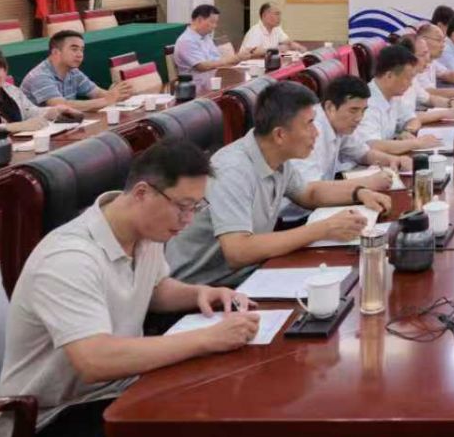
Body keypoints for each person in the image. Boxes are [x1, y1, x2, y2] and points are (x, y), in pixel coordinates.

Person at [0, 139, 258, 437]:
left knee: (232, 435)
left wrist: (201, 293)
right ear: (142, 193)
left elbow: (154, 290)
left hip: (119, 394)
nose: (188, 220)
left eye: (196, 208)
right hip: (47, 420)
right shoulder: (70, 258)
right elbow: (94, 360)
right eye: (183, 207)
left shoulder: (143, 234)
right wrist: (206, 339)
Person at [165, 82, 391, 285]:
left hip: (249, 273)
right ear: (280, 135)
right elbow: (238, 251)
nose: (316, 132)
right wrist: (324, 228)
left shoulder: (275, 156)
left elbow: (308, 193)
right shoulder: (233, 169)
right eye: (309, 124)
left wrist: (359, 192)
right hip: (203, 288)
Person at [307, 75, 409, 182]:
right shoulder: (312, 132)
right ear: (330, 107)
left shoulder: (340, 124)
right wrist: (365, 184)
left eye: (363, 110)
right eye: (353, 110)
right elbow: (311, 188)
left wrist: (394, 160)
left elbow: (362, 153)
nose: (359, 118)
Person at [359, 43, 451, 158]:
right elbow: (371, 146)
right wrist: (416, 143)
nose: (411, 84)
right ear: (389, 76)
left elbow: (412, 118)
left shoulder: (393, 95)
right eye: (408, 78)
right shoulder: (367, 102)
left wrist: (408, 132)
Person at [20, 31, 127, 116]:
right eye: (74, 49)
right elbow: (61, 106)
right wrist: (107, 100)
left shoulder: (73, 71)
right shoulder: (40, 76)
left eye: (82, 50)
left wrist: (119, 94)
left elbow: (97, 93)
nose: (80, 55)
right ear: (55, 52)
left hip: (63, 124)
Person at [174, 4, 255, 93]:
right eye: (212, 22)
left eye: (216, 22)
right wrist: (235, 58)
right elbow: (202, 66)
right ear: (199, 20)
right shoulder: (186, 41)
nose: (215, 26)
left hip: (211, 82)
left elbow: (217, 59)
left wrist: (236, 59)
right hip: (194, 88)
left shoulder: (205, 37)